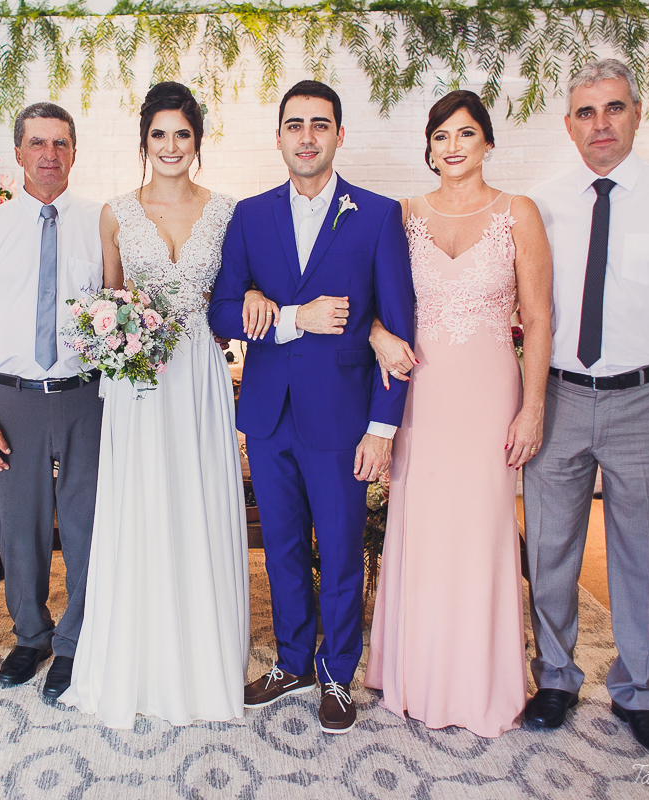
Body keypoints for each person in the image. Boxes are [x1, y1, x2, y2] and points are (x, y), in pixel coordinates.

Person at [521, 59, 649, 751]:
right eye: (585, 112)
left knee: (643, 554)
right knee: (549, 549)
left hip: (645, 401)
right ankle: (554, 677)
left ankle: (639, 692)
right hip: (560, 396)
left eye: (613, 109)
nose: (600, 124)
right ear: (568, 123)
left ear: (637, 113)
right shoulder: (540, 204)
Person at [209, 80, 415, 735]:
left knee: (344, 548)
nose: (306, 136)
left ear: (338, 136)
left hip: (342, 419)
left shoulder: (378, 216)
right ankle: (292, 661)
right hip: (268, 416)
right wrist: (293, 316)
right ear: (278, 137)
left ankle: (336, 673)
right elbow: (220, 310)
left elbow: (398, 330)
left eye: (319, 125)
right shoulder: (249, 215)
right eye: (294, 125)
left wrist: (382, 427)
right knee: (284, 550)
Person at [362, 91, 553, 737]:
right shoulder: (404, 214)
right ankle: (416, 672)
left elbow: (541, 318)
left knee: (481, 529)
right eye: (441, 135)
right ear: (429, 146)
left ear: (487, 143)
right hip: (422, 395)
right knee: (422, 526)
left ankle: (479, 684)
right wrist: (377, 336)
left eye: (465, 134)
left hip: (490, 392)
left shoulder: (518, 214)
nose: (452, 146)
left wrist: (532, 409)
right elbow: (370, 299)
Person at [60, 82, 249, 728]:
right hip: (139, 381)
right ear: (144, 141)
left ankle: (200, 661)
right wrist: (116, 333)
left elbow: (229, 302)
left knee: (195, 500)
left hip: (197, 372)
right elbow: (111, 298)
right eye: (160, 135)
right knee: (140, 505)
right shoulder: (115, 212)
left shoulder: (227, 211)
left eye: (183, 134)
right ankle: (136, 661)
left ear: (197, 142)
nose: (171, 147)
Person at [0, 103, 104, 700]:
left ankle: (74, 640)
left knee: (86, 522)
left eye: (61, 143)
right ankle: (32, 635)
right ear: (17, 152)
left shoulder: (102, 222)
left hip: (86, 395)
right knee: (18, 525)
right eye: (37, 143)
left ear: (75, 152)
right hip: (13, 397)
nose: (49, 154)